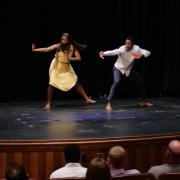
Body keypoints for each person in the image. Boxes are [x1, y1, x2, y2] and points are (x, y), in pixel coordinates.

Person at [32, 32, 96, 110]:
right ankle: (48, 104)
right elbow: (46, 49)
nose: (62, 41)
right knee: (51, 84)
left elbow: (79, 58)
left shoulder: (72, 47)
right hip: (56, 67)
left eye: (64, 40)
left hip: (67, 68)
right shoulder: (58, 46)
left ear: (68, 40)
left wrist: (70, 58)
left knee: (76, 82)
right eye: (62, 39)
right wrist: (35, 50)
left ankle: (87, 99)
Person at [99, 36, 153, 111]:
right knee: (117, 81)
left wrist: (141, 55)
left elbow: (148, 52)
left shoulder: (136, 49)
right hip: (118, 68)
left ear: (132, 44)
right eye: (126, 43)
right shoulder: (122, 49)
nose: (127, 45)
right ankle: (109, 103)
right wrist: (103, 53)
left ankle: (143, 101)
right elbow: (113, 52)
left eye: (129, 43)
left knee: (141, 82)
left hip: (128, 70)